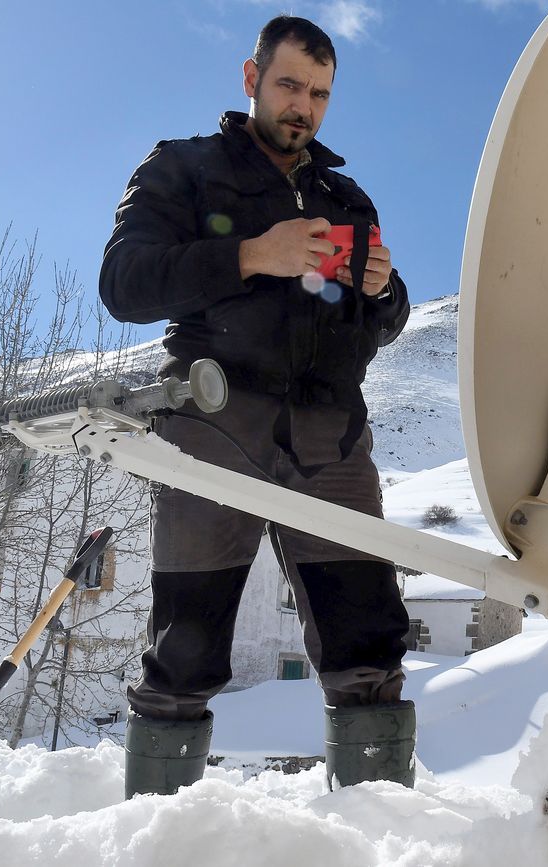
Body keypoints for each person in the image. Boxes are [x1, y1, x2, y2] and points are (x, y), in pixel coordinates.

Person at [99, 16, 414, 798]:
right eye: (289, 85)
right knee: (183, 648)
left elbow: (371, 329)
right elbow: (124, 284)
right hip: (214, 427)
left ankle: (382, 825)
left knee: (368, 646)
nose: (304, 105)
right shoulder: (183, 168)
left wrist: (384, 292)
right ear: (250, 78)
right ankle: (160, 833)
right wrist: (250, 254)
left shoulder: (347, 197)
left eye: (320, 93)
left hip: (330, 442)